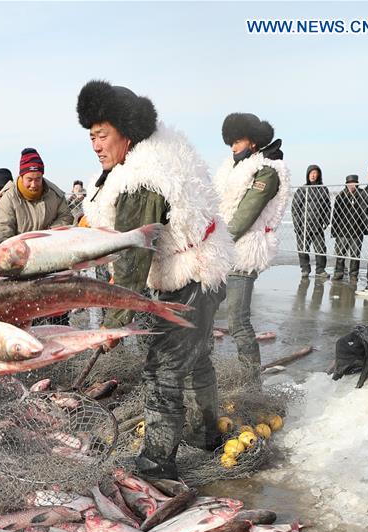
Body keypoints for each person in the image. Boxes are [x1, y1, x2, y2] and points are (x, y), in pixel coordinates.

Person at [77, 79, 234, 480]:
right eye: (91, 136)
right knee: (197, 358)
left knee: (163, 366)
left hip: (191, 275)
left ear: (126, 133)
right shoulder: (161, 151)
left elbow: (132, 258)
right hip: (208, 266)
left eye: (102, 135)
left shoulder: (143, 179)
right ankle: (204, 434)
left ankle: (157, 460)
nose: (95, 145)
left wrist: (113, 325)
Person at [214, 113, 290, 384]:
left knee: (237, 321)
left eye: (237, 141)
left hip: (244, 252)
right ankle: (204, 373)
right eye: (230, 142)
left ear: (254, 142)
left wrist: (220, 240)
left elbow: (246, 213)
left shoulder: (266, 172)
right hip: (222, 250)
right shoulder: (233, 168)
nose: (233, 147)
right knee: (206, 312)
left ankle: (250, 380)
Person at [0, 148, 73, 245]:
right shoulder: (9, 199)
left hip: (51, 246)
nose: (34, 184)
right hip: (21, 252)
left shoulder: (55, 194)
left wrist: (49, 233)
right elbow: (3, 232)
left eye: (38, 179)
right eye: (29, 179)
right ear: (21, 177)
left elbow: (66, 216)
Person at [291, 165, 331, 279]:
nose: (313, 175)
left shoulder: (323, 189)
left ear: (318, 174)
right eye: (311, 173)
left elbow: (327, 206)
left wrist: (326, 221)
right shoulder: (302, 189)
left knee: (321, 249)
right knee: (303, 249)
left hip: (317, 226)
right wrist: (297, 225)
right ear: (308, 175)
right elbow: (295, 208)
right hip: (303, 226)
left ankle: (320, 270)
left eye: (315, 173)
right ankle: (305, 269)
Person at [330, 175, 364, 284]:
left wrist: (365, 228)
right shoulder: (341, 196)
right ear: (346, 184)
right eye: (350, 183)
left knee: (355, 255)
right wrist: (334, 231)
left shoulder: (362, 195)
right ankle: (338, 273)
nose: (352, 185)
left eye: (354, 183)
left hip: (357, 231)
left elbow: (366, 213)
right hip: (342, 230)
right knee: (340, 253)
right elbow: (335, 215)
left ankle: (353, 275)